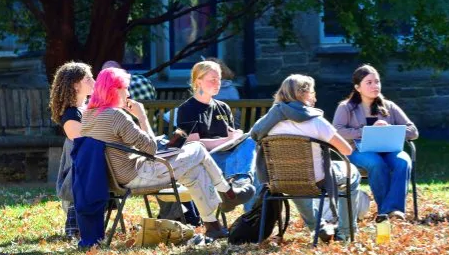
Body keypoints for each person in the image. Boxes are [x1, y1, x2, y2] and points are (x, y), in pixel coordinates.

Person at [80, 67, 238, 240]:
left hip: (113, 178)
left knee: (194, 171)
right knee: (197, 148)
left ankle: (213, 226)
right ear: (116, 89)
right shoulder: (116, 116)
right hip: (136, 175)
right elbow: (151, 148)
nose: (128, 93)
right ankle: (227, 191)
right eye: (126, 88)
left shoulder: (88, 115)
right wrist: (141, 117)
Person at [251, 74, 359, 242]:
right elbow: (346, 150)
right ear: (303, 94)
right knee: (352, 173)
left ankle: (318, 227)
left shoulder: (269, 122)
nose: (315, 97)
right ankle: (345, 232)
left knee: (295, 178)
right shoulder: (316, 121)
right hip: (316, 180)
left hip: (279, 180)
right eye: (313, 92)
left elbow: (254, 135)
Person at [332, 65, 418, 220]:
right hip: (358, 150)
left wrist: (390, 129)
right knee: (376, 163)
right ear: (357, 87)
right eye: (369, 82)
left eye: (377, 82)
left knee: (403, 161)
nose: (375, 86)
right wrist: (365, 131)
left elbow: (413, 131)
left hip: (389, 149)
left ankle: (392, 211)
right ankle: (386, 211)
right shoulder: (346, 107)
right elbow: (337, 131)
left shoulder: (389, 106)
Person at [176, 60, 258, 210]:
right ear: (198, 81)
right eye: (212, 79)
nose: (218, 83)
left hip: (229, 157)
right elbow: (193, 144)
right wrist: (226, 140)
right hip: (206, 161)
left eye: (219, 79)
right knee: (254, 171)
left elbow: (230, 137)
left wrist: (236, 136)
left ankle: (242, 193)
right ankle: (241, 195)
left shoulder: (222, 107)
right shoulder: (186, 109)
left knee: (251, 142)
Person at [49, 61, 95, 238]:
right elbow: (82, 147)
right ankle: (76, 223)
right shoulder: (71, 115)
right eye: (88, 79)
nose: (94, 82)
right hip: (80, 168)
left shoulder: (87, 108)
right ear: (76, 85)